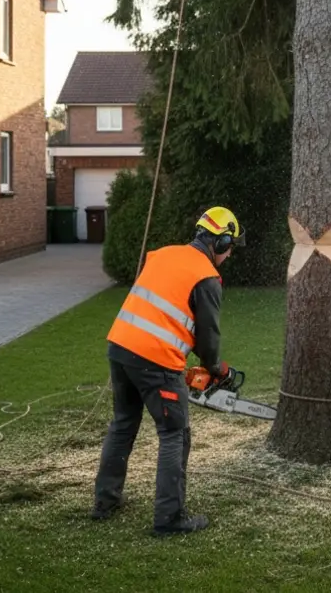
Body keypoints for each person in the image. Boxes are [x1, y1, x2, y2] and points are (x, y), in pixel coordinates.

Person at [91, 206, 244, 535]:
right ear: (221, 242)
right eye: (230, 247)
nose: (229, 254)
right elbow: (209, 339)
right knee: (175, 434)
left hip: (120, 347)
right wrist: (217, 370)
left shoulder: (162, 255)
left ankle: (105, 502)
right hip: (156, 360)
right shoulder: (206, 277)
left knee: (122, 426)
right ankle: (169, 519)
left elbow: (164, 309)